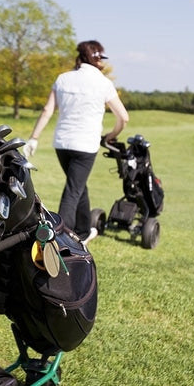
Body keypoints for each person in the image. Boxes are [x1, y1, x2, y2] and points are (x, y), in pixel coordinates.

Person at [26, 40, 129, 242]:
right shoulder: (103, 83)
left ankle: (83, 230)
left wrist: (34, 138)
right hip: (85, 145)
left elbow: (48, 110)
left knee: (78, 184)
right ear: (97, 58)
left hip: (62, 144)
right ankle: (59, 240)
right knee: (73, 190)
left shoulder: (63, 79)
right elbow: (123, 117)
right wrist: (111, 135)